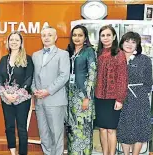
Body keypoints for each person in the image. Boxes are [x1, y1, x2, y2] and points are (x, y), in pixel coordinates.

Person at [31, 26, 70, 155]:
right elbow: (32, 76)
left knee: (56, 134)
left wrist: (48, 91)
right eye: (44, 35)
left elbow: (64, 76)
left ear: (55, 37)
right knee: (44, 134)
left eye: (49, 35)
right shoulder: (35, 55)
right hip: (40, 101)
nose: (46, 37)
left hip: (55, 100)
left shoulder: (63, 54)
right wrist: (34, 90)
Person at [0, 31, 33, 155]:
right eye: (11, 40)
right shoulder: (3, 59)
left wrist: (17, 94)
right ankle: (12, 152)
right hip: (6, 99)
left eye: (16, 40)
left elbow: (29, 78)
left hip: (22, 99)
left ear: (21, 42)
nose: (14, 42)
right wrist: (5, 94)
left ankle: (22, 153)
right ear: (8, 42)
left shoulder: (27, 58)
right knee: (9, 127)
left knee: (22, 128)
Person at [94, 25, 128, 155]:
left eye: (108, 35)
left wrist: (120, 99)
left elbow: (122, 78)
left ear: (114, 37)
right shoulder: (98, 54)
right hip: (99, 98)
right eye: (103, 35)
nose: (105, 38)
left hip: (113, 98)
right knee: (102, 129)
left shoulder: (119, 54)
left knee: (111, 130)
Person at [117, 31, 152, 155]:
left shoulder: (145, 60)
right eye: (127, 41)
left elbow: (148, 82)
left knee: (139, 128)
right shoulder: (116, 57)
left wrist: (140, 94)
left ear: (137, 45)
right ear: (121, 43)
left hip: (139, 98)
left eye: (133, 42)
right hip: (120, 98)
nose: (130, 44)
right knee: (124, 127)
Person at [65, 25, 97, 155]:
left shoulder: (89, 51)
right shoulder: (69, 51)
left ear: (85, 37)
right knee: (72, 128)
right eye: (74, 35)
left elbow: (92, 74)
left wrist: (87, 97)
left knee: (83, 128)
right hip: (69, 96)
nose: (76, 38)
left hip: (83, 96)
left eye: (80, 35)